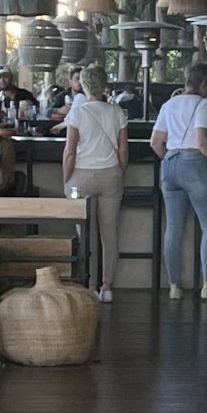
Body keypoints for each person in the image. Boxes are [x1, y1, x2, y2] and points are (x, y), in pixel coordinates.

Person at [151, 62, 207, 301]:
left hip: (169, 165)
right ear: (203, 83)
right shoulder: (203, 104)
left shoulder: (168, 105)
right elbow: (202, 141)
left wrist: (171, 158)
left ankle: (174, 286)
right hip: (194, 165)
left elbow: (156, 143)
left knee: (174, 228)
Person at [63, 64, 129, 304]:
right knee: (109, 233)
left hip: (81, 177)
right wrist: (119, 172)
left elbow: (70, 151)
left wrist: (66, 179)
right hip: (110, 174)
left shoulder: (77, 112)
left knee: (86, 233)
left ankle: (90, 284)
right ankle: (107, 286)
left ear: (84, 85)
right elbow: (123, 149)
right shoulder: (117, 112)